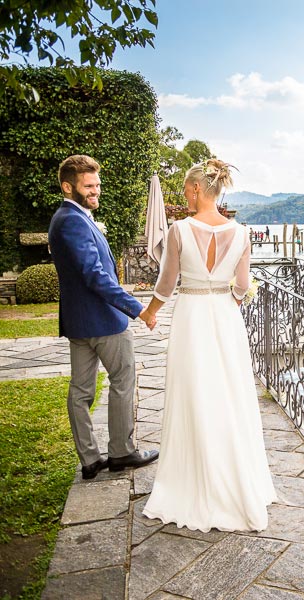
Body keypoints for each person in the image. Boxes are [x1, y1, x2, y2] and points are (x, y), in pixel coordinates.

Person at [141, 158, 276, 532]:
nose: (184, 195)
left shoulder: (179, 230)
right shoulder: (243, 233)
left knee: (193, 392)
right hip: (225, 317)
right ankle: (237, 479)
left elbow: (167, 284)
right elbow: (242, 285)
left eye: (186, 188)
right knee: (230, 392)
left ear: (198, 188)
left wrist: (149, 312)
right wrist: (226, 302)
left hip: (192, 316)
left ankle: (192, 481)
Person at [48, 155, 159, 480]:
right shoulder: (70, 220)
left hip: (80, 323)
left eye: (97, 184)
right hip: (104, 323)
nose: (96, 191)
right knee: (122, 382)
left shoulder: (70, 217)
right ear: (68, 186)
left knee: (81, 390)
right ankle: (121, 453)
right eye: (88, 186)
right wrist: (136, 308)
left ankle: (91, 460)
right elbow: (95, 275)